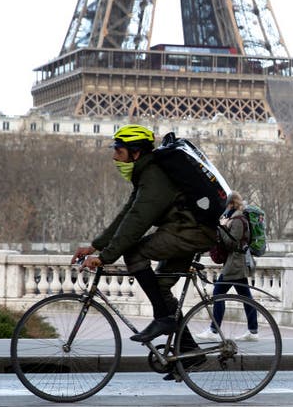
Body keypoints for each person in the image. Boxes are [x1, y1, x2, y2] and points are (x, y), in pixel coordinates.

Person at [70, 124, 216, 375]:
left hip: (191, 231)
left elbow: (138, 220)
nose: (114, 156)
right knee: (160, 286)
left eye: (119, 151)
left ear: (135, 152)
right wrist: (95, 245)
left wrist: (104, 257)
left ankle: (162, 318)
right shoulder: (145, 174)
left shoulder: (154, 176)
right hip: (185, 229)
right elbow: (127, 214)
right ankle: (190, 353)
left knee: (135, 253)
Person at [196, 191, 260, 341]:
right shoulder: (236, 218)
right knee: (246, 297)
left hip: (235, 264)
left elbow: (232, 243)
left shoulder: (238, 220)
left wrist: (221, 228)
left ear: (231, 204)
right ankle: (253, 331)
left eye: (227, 204)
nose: (225, 208)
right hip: (236, 263)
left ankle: (214, 330)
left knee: (218, 293)